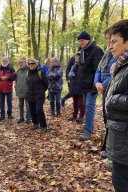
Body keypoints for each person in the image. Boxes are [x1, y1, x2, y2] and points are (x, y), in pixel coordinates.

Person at [105, 19, 128, 192]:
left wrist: (112, 99)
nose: (110, 47)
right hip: (120, 137)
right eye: (109, 42)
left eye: (114, 42)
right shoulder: (121, 66)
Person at [94, 27, 117, 160]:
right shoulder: (107, 52)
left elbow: (115, 72)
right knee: (106, 118)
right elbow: (99, 69)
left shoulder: (120, 53)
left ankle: (110, 150)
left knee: (113, 120)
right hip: (103, 90)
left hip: (111, 89)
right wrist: (97, 83)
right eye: (108, 38)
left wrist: (103, 84)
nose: (109, 41)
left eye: (111, 37)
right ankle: (107, 147)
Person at [76, 31, 104, 141]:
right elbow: (81, 68)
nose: (81, 42)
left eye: (82, 40)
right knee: (86, 107)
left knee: (89, 107)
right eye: (79, 41)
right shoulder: (82, 51)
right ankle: (88, 127)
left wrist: (95, 85)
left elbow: (99, 69)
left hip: (92, 86)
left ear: (88, 40)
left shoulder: (95, 50)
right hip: (84, 85)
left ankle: (88, 131)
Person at [26, 58, 48, 132]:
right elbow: (27, 83)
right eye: (29, 63)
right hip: (30, 95)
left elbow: (46, 84)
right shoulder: (28, 73)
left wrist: (41, 91)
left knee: (39, 110)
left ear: (36, 64)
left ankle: (43, 126)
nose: (30, 65)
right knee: (32, 110)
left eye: (32, 63)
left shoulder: (41, 72)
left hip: (39, 95)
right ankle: (35, 123)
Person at [0, 56, 16, 120]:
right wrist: (0, 78)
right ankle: (2, 115)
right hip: (0, 89)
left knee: (9, 103)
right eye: (3, 61)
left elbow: (14, 77)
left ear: (8, 61)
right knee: (1, 103)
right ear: (1, 62)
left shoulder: (11, 69)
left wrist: (8, 77)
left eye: (6, 61)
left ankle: (9, 115)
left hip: (9, 89)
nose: (4, 62)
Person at [66, 53, 85, 123]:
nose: (76, 59)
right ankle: (74, 115)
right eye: (76, 58)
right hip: (74, 86)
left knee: (82, 103)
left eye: (78, 58)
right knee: (75, 102)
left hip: (81, 86)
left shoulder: (83, 65)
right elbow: (70, 75)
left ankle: (81, 116)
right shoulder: (74, 66)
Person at [15, 57, 31, 124]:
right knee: (20, 105)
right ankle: (21, 118)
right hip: (20, 91)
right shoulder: (18, 71)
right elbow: (16, 80)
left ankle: (28, 118)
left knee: (28, 106)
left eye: (21, 62)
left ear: (25, 62)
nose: (20, 64)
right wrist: (15, 87)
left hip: (27, 92)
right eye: (19, 63)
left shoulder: (29, 70)